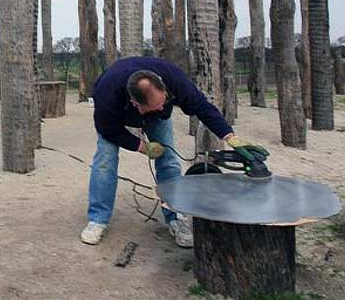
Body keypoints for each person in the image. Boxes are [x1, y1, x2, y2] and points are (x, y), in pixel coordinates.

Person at [80, 56, 265, 247]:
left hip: (154, 116)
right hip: (116, 118)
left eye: (164, 101)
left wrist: (229, 136)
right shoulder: (107, 91)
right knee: (105, 160)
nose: (162, 107)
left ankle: (175, 217)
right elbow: (108, 130)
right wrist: (142, 147)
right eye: (155, 106)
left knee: (168, 160)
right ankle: (98, 219)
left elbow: (202, 107)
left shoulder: (174, 79)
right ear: (136, 104)